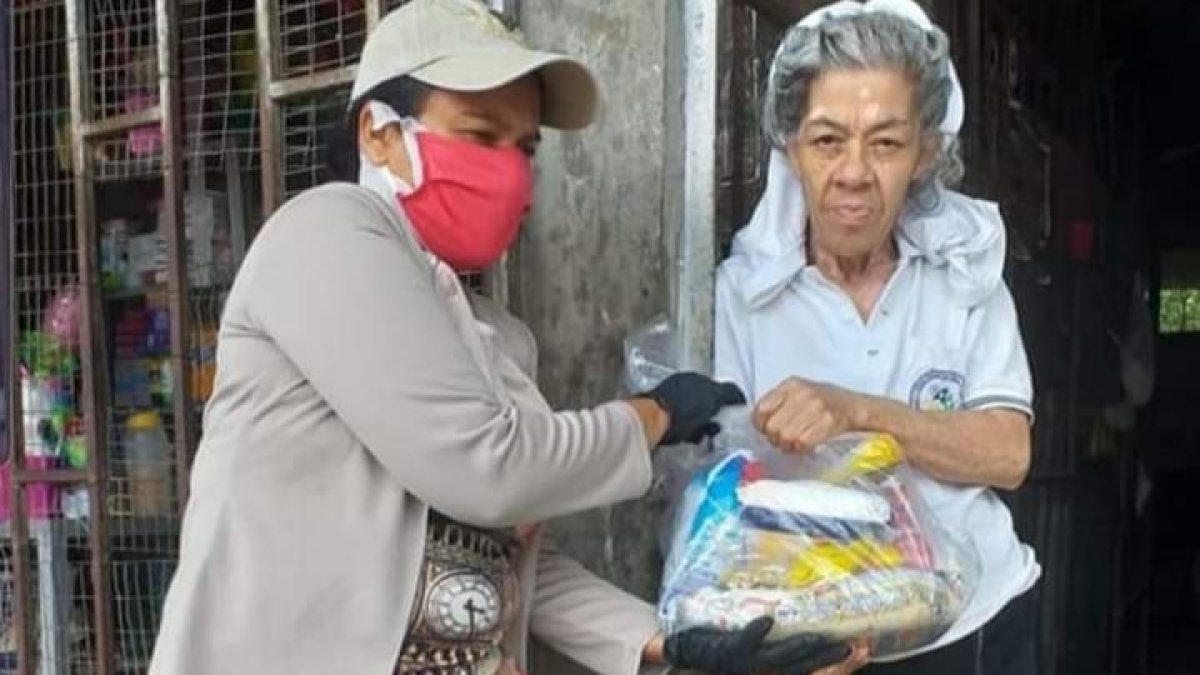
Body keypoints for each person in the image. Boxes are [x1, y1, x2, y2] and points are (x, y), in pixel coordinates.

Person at [148, 1, 859, 674]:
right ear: (379, 133)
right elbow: (488, 469)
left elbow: (513, 552)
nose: (509, 169)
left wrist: (673, 641)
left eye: (524, 148)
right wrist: (656, 415)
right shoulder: (327, 233)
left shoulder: (494, 334)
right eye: (481, 134)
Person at [714, 1, 1041, 674]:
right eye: (828, 139)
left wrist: (855, 410)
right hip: (816, 637)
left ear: (925, 152)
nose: (856, 172)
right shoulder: (740, 295)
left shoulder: (964, 274)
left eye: (886, 142)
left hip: (973, 624)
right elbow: (721, 492)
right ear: (790, 146)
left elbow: (1008, 454)